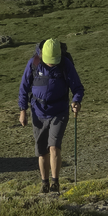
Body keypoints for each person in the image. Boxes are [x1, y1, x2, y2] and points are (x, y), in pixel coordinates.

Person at [17, 38, 84, 194]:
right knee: (42, 151)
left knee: (53, 146)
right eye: (49, 61)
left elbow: (78, 88)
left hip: (59, 111)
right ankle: (44, 182)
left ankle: (55, 183)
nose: (52, 64)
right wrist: (22, 110)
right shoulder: (33, 63)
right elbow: (24, 88)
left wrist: (76, 101)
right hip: (37, 112)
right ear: (41, 54)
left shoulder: (65, 64)